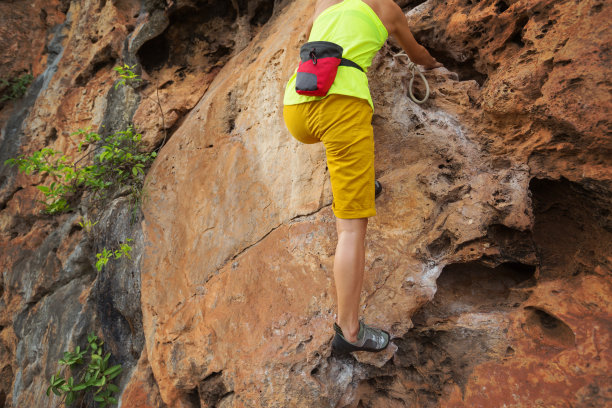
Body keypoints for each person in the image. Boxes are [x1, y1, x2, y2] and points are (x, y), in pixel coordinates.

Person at [282, 0, 441, 354]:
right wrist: (435, 64)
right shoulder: (387, 9)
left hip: (296, 104)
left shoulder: (325, 2)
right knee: (351, 229)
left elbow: (313, 39)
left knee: (344, 154)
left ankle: (356, 179)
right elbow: (417, 55)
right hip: (339, 106)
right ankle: (349, 332)